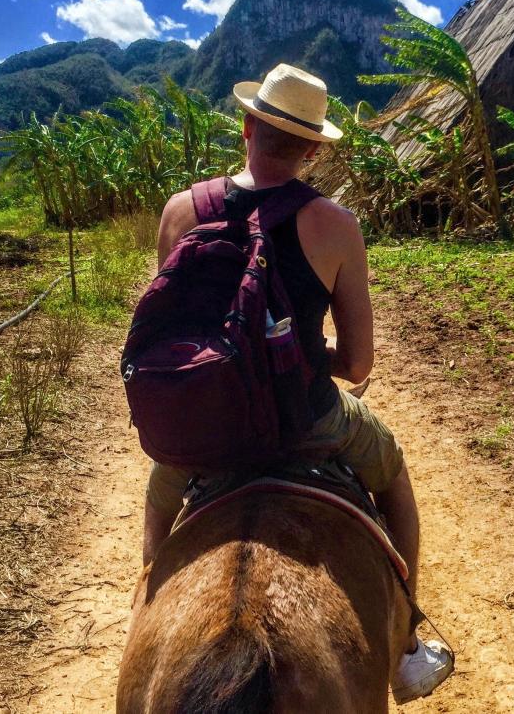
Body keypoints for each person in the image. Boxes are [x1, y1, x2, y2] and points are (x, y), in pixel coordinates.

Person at [143, 62, 453, 704]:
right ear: (314, 147)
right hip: (306, 414)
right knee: (392, 476)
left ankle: (147, 599)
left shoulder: (181, 211)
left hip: (209, 423)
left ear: (247, 126)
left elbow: (177, 322)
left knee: (160, 492)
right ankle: (404, 649)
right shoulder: (335, 225)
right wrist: (308, 359)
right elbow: (360, 365)